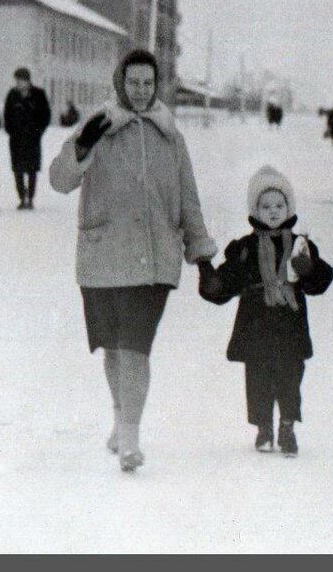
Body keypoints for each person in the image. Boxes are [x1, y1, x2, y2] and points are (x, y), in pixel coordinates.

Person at [49, 49, 218, 472]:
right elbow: (59, 180)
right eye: (133, 83)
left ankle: (130, 437)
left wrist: (201, 252)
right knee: (114, 349)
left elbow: (188, 198)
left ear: (156, 85)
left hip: (153, 259)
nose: (140, 92)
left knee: (135, 349)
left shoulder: (170, 135)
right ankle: (119, 418)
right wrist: (80, 148)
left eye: (147, 83)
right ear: (119, 83)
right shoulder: (99, 125)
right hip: (103, 255)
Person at [199, 165, 333, 457]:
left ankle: (287, 427)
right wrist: (211, 280)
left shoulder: (301, 245)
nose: (273, 211)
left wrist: (308, 270)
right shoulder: (244, 248)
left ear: (289, 207)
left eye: (279, 205)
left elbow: (320, 283)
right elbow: (226, 282)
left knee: (290, 375)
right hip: (256, 325)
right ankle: (263, 426)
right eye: (265, 206)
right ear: (255, 210)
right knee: (258, 377)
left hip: (290, 326)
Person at [4, 67, 52, 210]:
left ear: (27, 81)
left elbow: (45, 115)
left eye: (21, 80)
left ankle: (30, 198)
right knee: (17, 169)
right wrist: (11, 130)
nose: (19, 83)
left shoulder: (38, 94)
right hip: (16, 139)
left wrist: (38, 131)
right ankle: (21, 197)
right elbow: (7, 115)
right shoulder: (12, 95)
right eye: (17, 80)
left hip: (32, 138)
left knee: (32, 169)